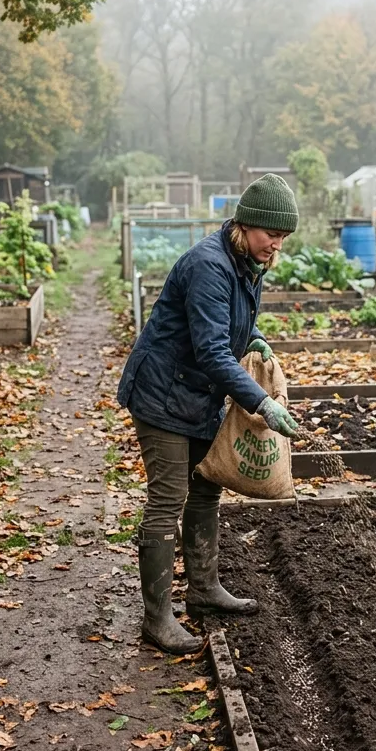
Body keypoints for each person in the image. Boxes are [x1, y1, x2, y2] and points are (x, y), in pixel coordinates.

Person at [116, 173, 302, 654]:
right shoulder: (209, 265)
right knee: (169, 499)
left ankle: (203, 590)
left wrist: (252, 335)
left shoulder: (246, 261)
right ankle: (157, 619)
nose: (276, 244)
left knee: (205, 490)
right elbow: (213, 353)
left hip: (197, 394)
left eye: (283, 237)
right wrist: (261, 403)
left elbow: (232, 322)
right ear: (246, 224)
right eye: (271, 234)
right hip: (162, 393)